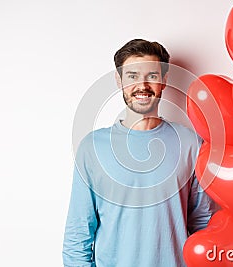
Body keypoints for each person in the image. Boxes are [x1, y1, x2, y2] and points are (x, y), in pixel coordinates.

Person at [62, 39, 217, 267]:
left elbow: (203, 223)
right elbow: (79, 233)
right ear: (119, 80)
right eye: (132, 76)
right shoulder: (92, 147)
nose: (142, 85)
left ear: (164, 80)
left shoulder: (190, 143)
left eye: (152, 76)